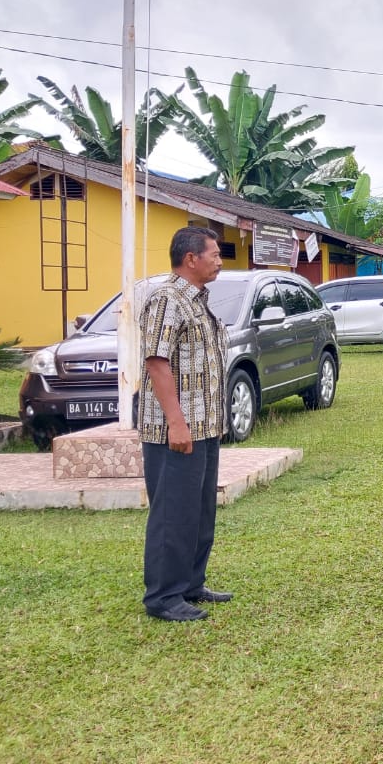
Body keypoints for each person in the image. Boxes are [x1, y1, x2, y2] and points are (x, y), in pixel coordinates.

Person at [139, 226, 233, 622]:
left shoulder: (198, 301)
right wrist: (177, 423)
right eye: (214, 254)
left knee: (198, 511)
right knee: (173, 513)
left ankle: (191, 583)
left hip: (204, 427)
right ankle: (163, 596)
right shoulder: (166, 299)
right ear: (191, 258)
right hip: (174, 430)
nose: (219, 261)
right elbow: (157, 363)